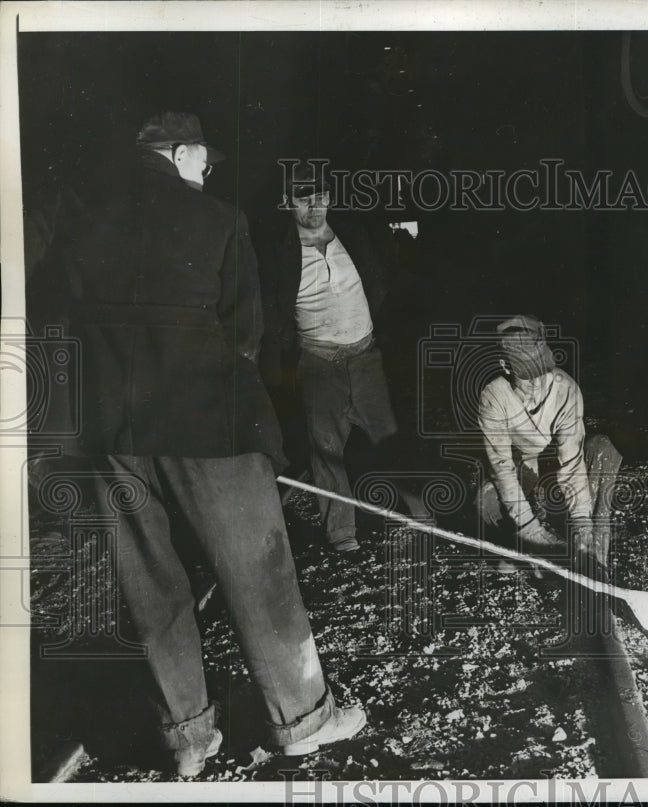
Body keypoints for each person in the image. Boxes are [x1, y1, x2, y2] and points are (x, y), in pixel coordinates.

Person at [33, 112, 365, 776]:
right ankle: (303, 719)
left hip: (111, 431)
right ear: (180, 153)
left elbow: (51, 311)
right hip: (207, 425)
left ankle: (187, 738)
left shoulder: (76, 215)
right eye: (204, 161)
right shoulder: (218, 220)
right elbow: (243, 335)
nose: (207, 172)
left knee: (150, 586)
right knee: (259, 572)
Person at [260, 161, 425, 552]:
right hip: (318, 365)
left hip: (365, 357)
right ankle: (341, 533)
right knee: (326, 450)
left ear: (330, 198)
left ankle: (422, 512)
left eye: (320, 197)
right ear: (287, 202)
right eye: (303, 198)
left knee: (389, 436)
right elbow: (273, 309)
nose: (314, 206)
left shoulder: (352, 234)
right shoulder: (279, 250)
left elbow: (379, 279)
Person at [476, 315, 622, 567]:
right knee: (486, 502)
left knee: (603, 449)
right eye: (527, 376)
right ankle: (531, 549)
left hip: (562, 472)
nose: (537, 384)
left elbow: (572, 463)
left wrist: (581, 524)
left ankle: (593, 558)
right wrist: (530, 529)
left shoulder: (566, 390)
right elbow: (502, 468)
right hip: (525, 470)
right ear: (506, 367)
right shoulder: (494, 397)